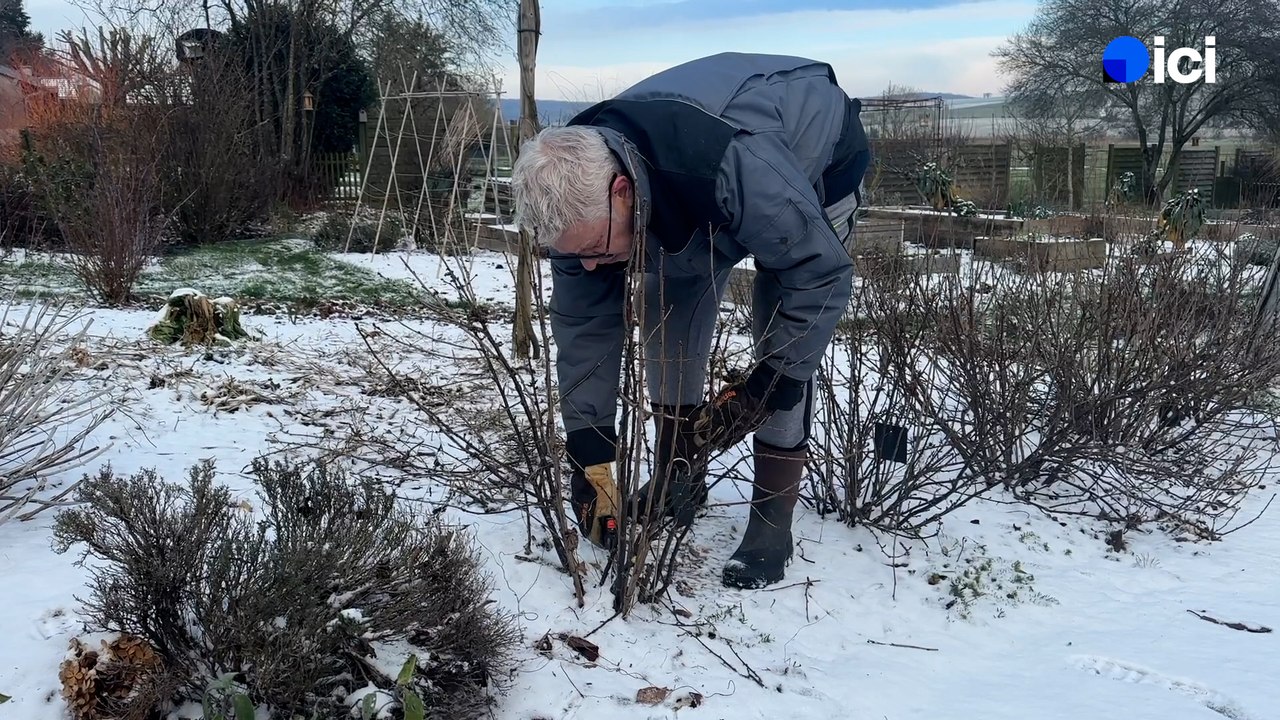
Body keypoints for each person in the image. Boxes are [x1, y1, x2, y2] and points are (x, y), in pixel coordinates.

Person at [510, 52, 870, 589]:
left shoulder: (732, 158)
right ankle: (681, 479)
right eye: (573, 255)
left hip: (814, 164)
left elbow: (817, 275)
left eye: (593, 250)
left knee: (782, 327)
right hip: (687, 188)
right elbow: (586, 330)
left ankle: (772, 519)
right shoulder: (575, 201)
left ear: (622, 191)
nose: (585, 266)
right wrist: (591, 455)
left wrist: (771, 384)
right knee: (668, 301)